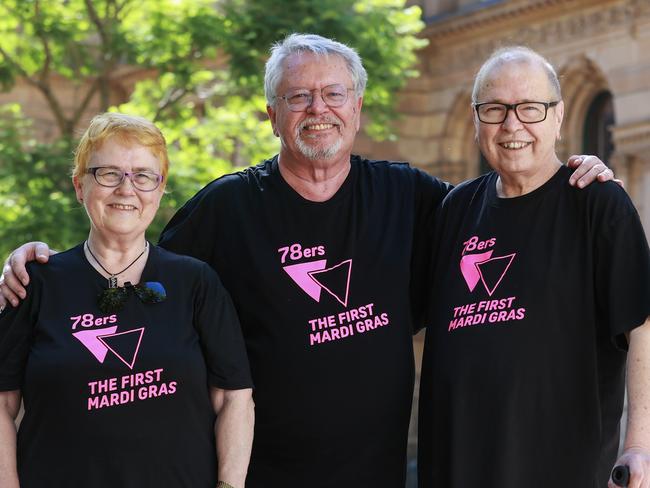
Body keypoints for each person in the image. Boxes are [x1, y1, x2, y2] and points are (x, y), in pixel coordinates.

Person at [0, 35, 615, 487]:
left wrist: (571, 179)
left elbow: (507, 219)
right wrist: (46, 264)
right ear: (271, 115)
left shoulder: (413, 196)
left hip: (377, 474)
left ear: (358, 107)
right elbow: (134, 271)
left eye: (333, 94)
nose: (318, 109)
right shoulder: (227, 206)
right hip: (255, 473)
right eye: (298, 97)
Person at [417, 46, 650, 488]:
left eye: (529, 108)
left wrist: (639, 444)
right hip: (456, 468)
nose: (511, 125)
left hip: (561, 468)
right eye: (494, 109)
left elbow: (642, 326)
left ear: (558, 117)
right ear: (475, 120)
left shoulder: (596, 202)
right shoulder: (454, 209)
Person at [0, 113, 254, 488]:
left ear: (159, 188)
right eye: (108, 173)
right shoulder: (35, 282)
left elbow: (234, 398)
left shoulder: (196, 282)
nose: (126, 189)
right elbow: (2, 405)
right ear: (79, 186)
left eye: (143, 175)